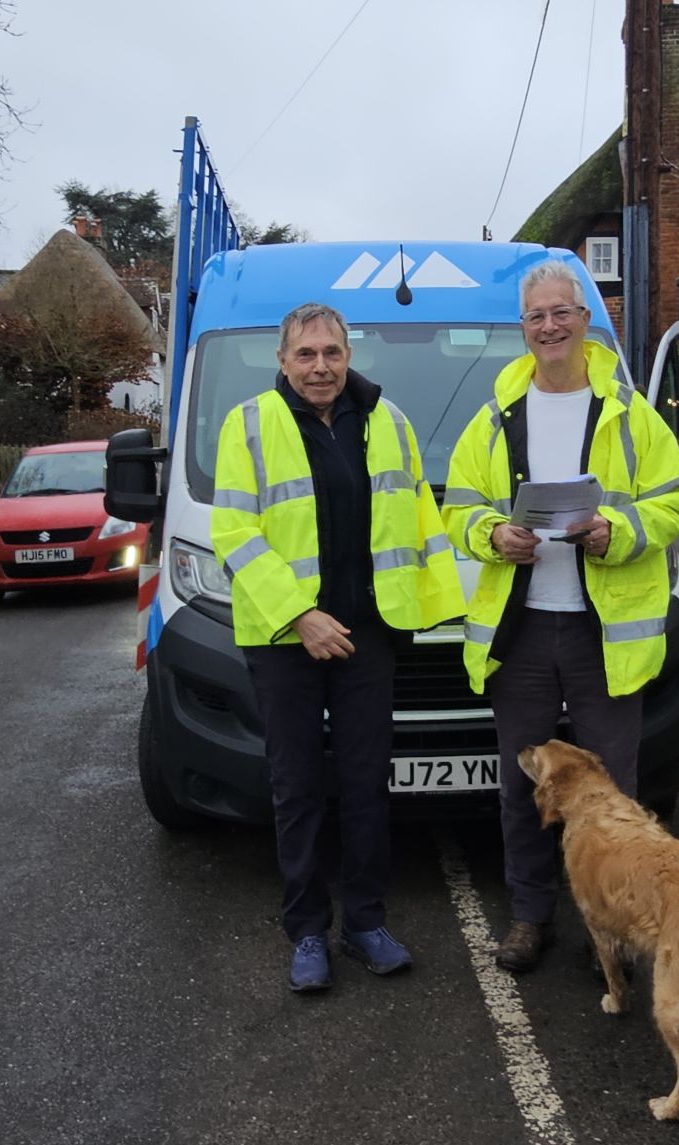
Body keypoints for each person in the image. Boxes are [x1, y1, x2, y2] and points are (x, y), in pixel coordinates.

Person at [441, 260, 679, 973]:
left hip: (603, 633)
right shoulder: (494, 417)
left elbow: (677, 497)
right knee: (525, 786)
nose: (549, 326)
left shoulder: (629, 411)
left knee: (612, 793)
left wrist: (621, 528)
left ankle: (612, 930)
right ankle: (530, 916)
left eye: (561, 312)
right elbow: (457, 504)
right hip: (520, 631)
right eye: (536, 316)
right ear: (521, 329)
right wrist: (492, 533)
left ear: (585, 319)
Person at [211, 301, 465, 993]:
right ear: (283, 360)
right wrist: (301, 615)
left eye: (331, 352)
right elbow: (234, 531)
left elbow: (418, 520)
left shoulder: (390, 421)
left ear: (349, 355)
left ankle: (365, 924)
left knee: (365, 786)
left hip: (369, 634)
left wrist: (435, 609)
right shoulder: (250, 425)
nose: (320, 366)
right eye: (306, 354)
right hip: (286, 638)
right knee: (297, 789)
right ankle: (305, 932)